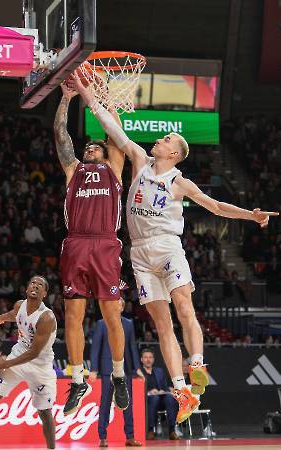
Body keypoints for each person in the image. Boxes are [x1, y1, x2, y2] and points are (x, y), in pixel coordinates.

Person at [68, 72, 279, 423]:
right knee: (162, 325)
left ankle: (196, 365)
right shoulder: (137, 159)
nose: (159, 139)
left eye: (166, 138)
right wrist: (88, 94)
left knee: (184, 306)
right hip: (138, 253)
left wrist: (250, 215)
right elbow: (108, 122)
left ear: (174, 153)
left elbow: (215, 207)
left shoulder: (179, 181)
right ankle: (183, 392)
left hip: (167, 247)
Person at [54, 83, 128, 416]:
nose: (89, 150)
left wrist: (107, 102)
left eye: (94, 148)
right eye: (87, 148)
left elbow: (116, 136)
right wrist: (66, 99)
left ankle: (118, 374)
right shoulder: (74, 170)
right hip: (76, 242)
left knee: (112, 316)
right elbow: (61, 136)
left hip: (105, 244)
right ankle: (78, 379)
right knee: (73, 315)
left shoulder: (114, 167)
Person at [0, 276, 57, 450]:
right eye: (33, 283)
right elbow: (14, 314)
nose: (35, 286)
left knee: (45, 413)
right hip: (18, 356)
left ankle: (52, 448)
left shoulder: (47, 318)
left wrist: (6, 363)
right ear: (26, 288)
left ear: (44, 293)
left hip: (40, 366)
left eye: (40, 285)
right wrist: (0, 318)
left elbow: (34, 352)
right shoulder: (19, 305)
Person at [89, 298, 143, 447]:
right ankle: (102, 437)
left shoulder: (129, 323)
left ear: (122, 307)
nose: (114, 305)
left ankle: (130, 437)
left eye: (117, 303)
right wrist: (94, 369)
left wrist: (137, 368)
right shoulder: (101, 324)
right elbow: (96, 348)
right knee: (105, 403)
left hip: (125, 370)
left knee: (128, 404)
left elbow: (132, 347)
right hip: (107, 369)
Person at [141, 348, 179, 440]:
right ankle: (150, 431)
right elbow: (135, 390)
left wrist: (163, 391)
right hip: (146, 401)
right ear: (141, 359)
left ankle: (172, 431)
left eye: (150, 357)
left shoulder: (159, 371)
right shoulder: (138, 372)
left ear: (153, 359)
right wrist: (148, 392)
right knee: (155, 398)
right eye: (145, 357)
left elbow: (165, 387)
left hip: (160, 399)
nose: (148, 360)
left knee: (170, 398)